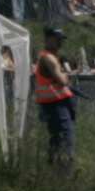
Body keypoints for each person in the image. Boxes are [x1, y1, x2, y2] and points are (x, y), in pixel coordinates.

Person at [31, 26, 76, 164]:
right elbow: (62, 80)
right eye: (56, 39)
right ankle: (64, 168)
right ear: (47, 39)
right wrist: (65, 75)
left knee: (56, 138)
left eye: (60, 39)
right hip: (55, 103)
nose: (59, 42)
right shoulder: (49, 58)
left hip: (54, 102)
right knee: (64, 137)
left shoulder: (49, 57)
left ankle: (54, 168)